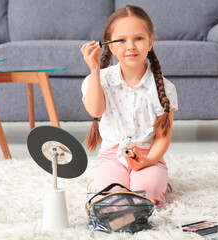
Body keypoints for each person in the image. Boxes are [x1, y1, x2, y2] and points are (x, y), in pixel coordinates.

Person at [80, 5, 178, 207]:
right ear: (111, 46)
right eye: (122, 40)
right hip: (112, 156)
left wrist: (149, 161)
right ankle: (98, 183)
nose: (131, 46)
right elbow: (95, 110)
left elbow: (163, 137)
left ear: (150, 42)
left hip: (147, 156)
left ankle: (157, 180)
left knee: (145, 196)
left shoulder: (164, 89)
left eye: (139, 39)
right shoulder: (99, 79)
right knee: (112, 198)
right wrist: (95, 69)